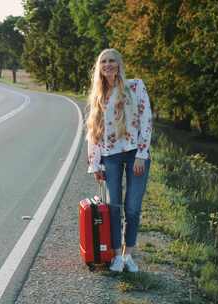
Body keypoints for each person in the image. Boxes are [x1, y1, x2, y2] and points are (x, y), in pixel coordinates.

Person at [86, 48, 152, 273]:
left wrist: (142, 154)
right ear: (99, 67)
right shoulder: (98, 94)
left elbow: (147, 120)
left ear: (119, 63)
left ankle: (128, 256)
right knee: (114, 207)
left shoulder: (136, 86)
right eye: (103, 61)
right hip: (110, 156)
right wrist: (95, 163)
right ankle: (115, 256)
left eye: (112, 60)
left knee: (132, 208)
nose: (108, 64)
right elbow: (94, 131)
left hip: (136, 154)